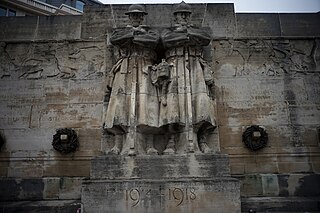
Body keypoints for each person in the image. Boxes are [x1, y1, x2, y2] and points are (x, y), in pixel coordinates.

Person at [160, 1, 216, 154]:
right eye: (180, 14)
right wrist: (185, 36)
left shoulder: (197, 31)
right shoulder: (168, 31)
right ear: (175, 16)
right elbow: (166, 40)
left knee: (201, 104)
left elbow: (205, 38)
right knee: (173, 106)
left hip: (195, 67)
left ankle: (201, 139)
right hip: (175, 65)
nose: (183, 16)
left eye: (186, 14)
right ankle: (172, 140)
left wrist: (187, 34)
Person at [103, 4, 160, 155]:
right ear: (129, 17)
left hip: (144, 68)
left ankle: (150, 145)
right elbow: (116, 39)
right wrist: (134, 35)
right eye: (133, 15)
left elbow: (154, 41)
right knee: (119, 108)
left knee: (148, 107)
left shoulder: (150, 32)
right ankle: (118, 144)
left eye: (138, 15)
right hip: (124, 69)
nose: (136, 18)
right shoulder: (121, 32)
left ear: (142, 17)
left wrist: (136, 37)